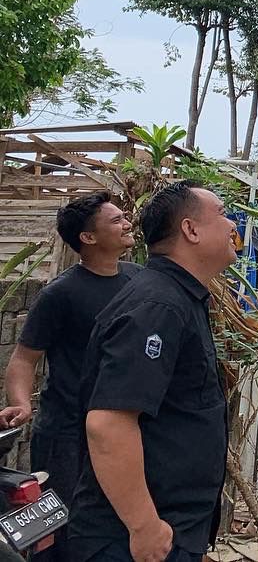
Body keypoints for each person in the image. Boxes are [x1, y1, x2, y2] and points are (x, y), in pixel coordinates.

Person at [68, 181, 237, 562]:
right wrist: (144, 525)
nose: (232, 227)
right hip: (133, 541)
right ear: (190, 230)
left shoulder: (177, 297)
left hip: (164, 530)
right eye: (223, 214)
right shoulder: (158, 306)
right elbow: (109, 423)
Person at [0, 194, 138, 562]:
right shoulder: (60, 294)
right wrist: (19, 401)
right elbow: (24, 357)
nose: (127, 224)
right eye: (116, 220)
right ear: (88, 238)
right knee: (60, 532)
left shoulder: (139, 282)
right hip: (67, 433)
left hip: (121, 427)